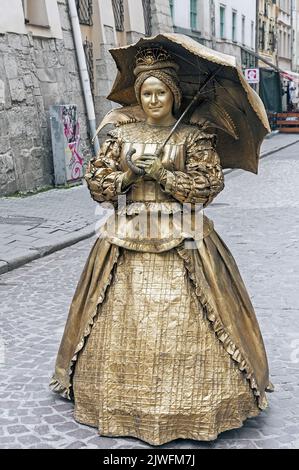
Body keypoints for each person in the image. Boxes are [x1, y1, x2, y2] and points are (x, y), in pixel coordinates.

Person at [50, 46, 273, 446]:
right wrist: (128, 176)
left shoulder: (194, 136)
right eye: (147, 93)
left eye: (161, 93)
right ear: (138, 94)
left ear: (174, 96)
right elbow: (99, 186)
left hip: (183, 235)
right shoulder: (122, 134)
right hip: (127, 232)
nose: (153, 101)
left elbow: (207, 188)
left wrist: (167, 176)